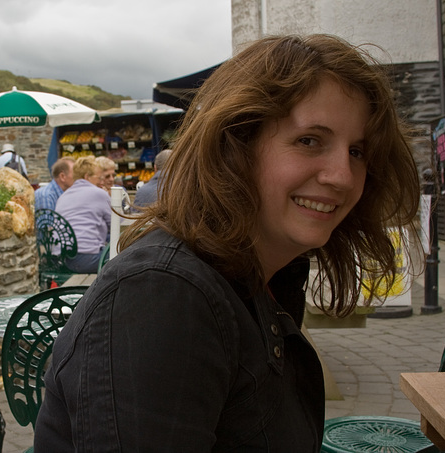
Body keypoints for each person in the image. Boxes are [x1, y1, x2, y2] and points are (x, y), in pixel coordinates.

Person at [34, 34, 422, 451]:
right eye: (309, 140)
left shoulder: (265, 274)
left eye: (358, 151)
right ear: (235, 145)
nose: (342, 176)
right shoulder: (161, 295)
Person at [54, 156, 111, 273]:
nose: (101, 182)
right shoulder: (99, 193)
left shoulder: (63, 196)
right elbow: (118, 225)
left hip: (62, 258)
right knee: (126, 254)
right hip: (86, 259)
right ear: (87, 177)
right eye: (98, 178)